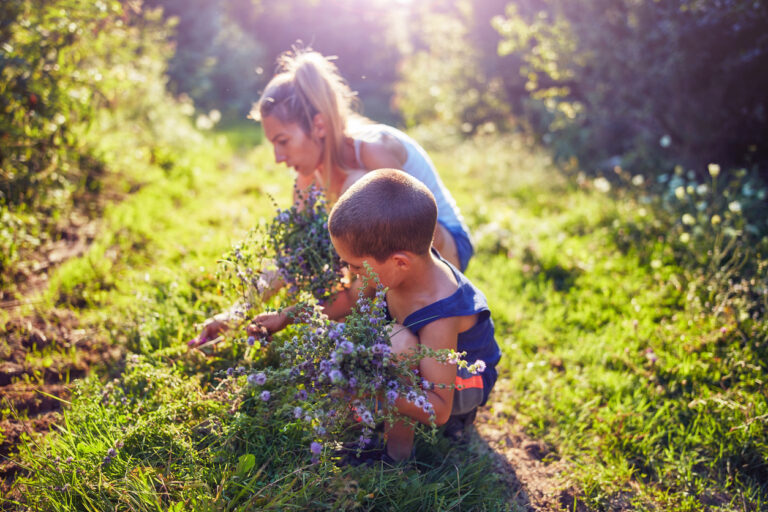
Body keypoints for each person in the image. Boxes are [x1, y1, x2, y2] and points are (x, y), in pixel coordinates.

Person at [194, 47, 473, 344]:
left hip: (440, 245)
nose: (277, 157)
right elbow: (291, 257)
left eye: (283, 141)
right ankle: (364, 311)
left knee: (359, 189)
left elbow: (413, 226)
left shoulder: (373, 149)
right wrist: (237, 312)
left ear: (319, 125)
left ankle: (386, 313)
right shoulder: (306, 181)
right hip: (387, 263)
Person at [326, 168, 501, 462]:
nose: (349, 273)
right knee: (390, 342)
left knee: (398, 345)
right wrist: (290, 315)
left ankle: (396, 456)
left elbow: (439, 406)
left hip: (459, 384)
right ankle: (386, 407)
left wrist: (378, 391)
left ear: (399, 262)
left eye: (354, 267)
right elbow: (349, 299)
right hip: (429, 364)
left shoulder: (439, 314)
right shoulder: (392, 269)